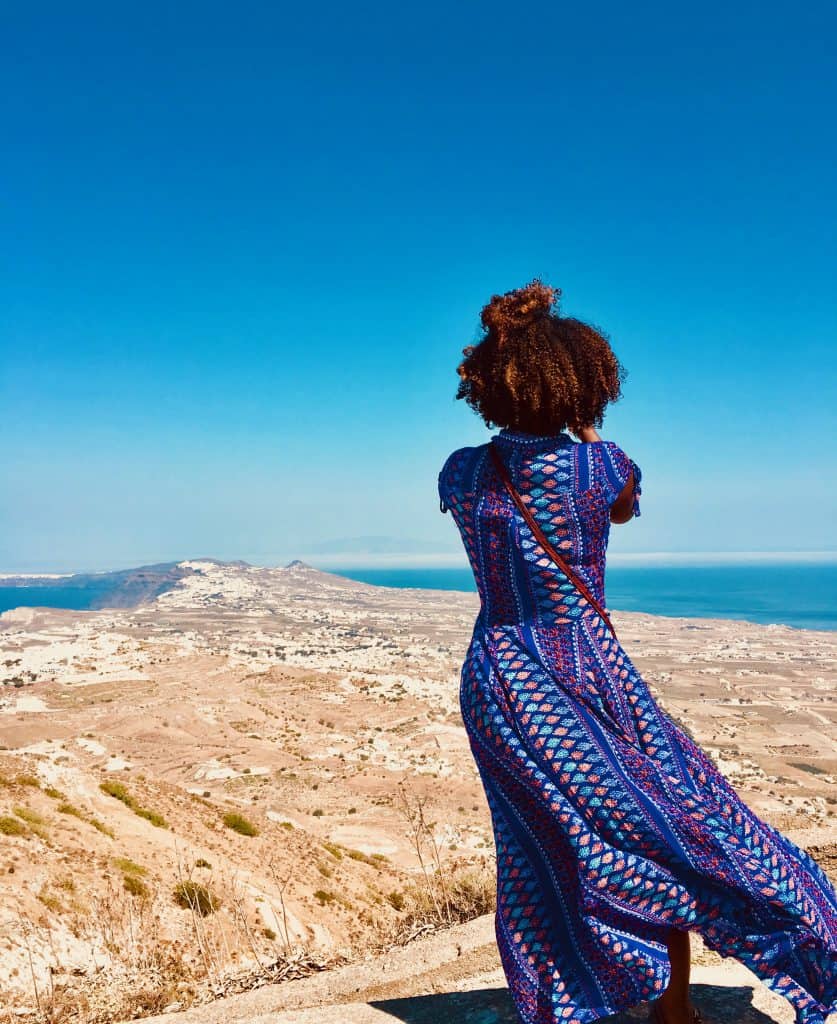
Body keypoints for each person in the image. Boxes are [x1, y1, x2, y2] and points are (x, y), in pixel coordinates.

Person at [437, 280, 837, 1024]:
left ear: (489, 385)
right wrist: (587, 429)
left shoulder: (459, 471)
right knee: (661, 829)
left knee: (539, 852)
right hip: (582, 671)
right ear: (585, 386)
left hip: (497, 678)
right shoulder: (601, 465)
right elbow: (623, 504)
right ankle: (676, 1006)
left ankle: (566, 1001)